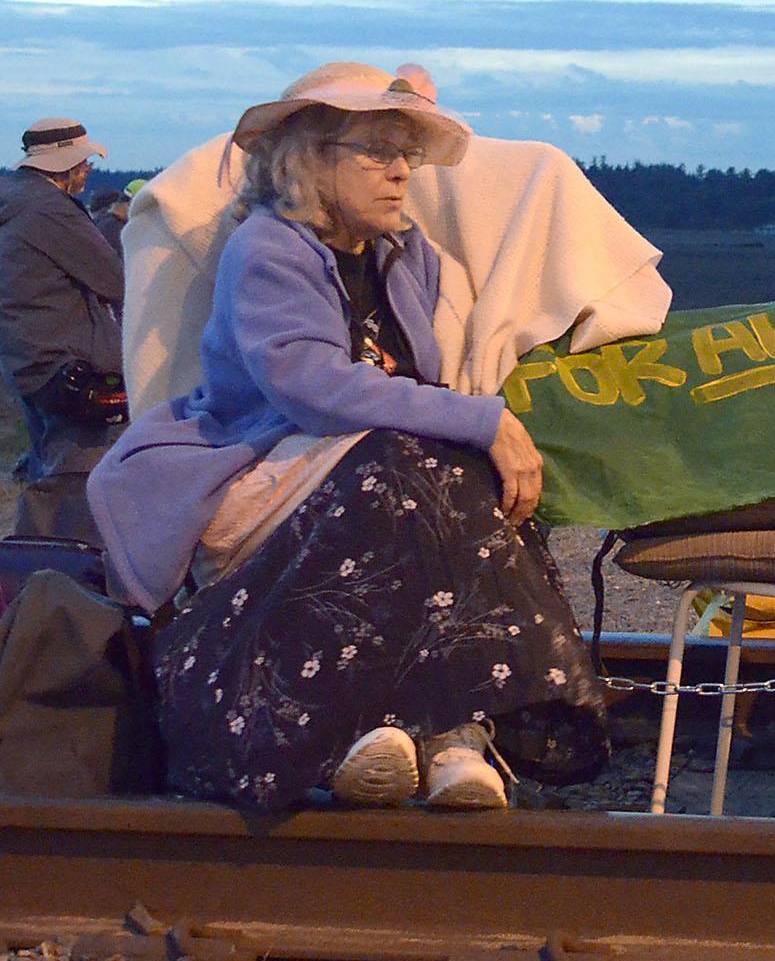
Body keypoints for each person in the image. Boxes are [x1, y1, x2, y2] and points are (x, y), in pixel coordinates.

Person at [87, 63, 605, 814]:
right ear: (310, 158)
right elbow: (313, 388)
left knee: (440, 471)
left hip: (348, 467)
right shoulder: (268, 247)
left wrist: (477, 425)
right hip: (259, 461)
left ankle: (424, 735)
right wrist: (481, 418)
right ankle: (428, 733)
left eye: (407, 153)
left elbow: (406, 381)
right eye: (376, 151)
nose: (401, 172)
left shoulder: (403, 250)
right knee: (412, 463)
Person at [0, 118, 128, 544]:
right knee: (81, 485)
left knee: (48, 471)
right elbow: (115, 280)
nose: (89, 168)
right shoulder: (51, 211)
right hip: (71, 365)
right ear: (65, 163)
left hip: (29, 362)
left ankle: (40, 576)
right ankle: (68, 585)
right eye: (84, 160)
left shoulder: (14, 201)